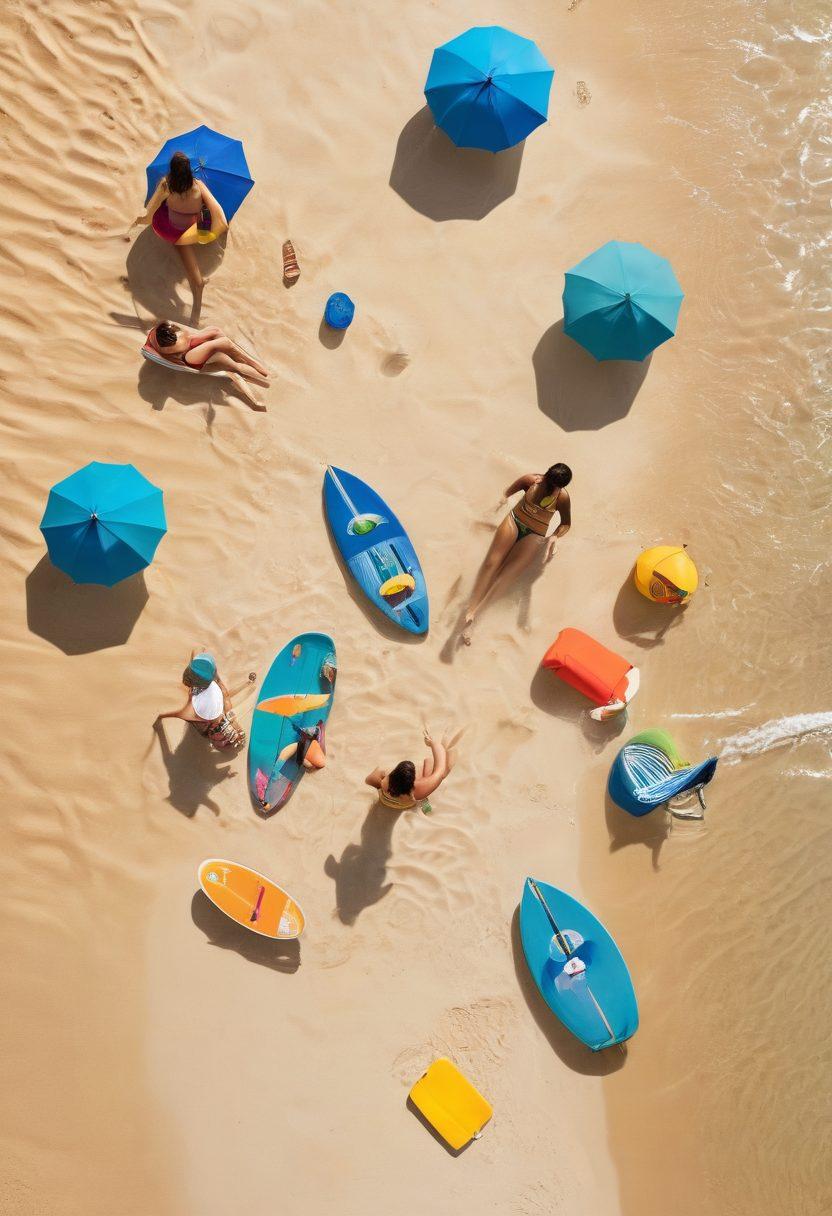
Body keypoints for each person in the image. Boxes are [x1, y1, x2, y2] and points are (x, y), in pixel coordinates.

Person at [462, 463, 572, 644]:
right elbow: (507, 492)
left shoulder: (562, 498)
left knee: (506, 576)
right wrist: (500, 501)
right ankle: (470, 608)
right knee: (491, 563)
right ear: (545, 475)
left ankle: (476, 618)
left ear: (561, 487)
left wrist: (554, 536)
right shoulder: (530, 481)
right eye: (548, 482)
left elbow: (566, 524)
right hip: (515, 521)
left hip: (535, 534)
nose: (549, 488)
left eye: (555, 487)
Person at [134, 151, 227, 317]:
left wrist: (141, 220)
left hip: (166, 230)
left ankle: (197, 284)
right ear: (188, 170)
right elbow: (220, 215)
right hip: (190, 232)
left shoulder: (166, 185)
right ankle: (197, 288)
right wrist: (212, 232)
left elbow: (151, 210)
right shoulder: (198, 185)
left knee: (172, 225)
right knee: (185, 243)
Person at [145, 320, 270, 410]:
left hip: (190, 350)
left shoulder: (170, 331)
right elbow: (176, 355)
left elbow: (190, 336)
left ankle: (240, 360)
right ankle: (248, 363)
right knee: (227, 354)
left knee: (216, 332)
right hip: (189, 359)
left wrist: (201, 337)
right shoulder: (166, 346)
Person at [154, 651, 248, 751]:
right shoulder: (217, 694)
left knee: (205, 730)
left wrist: (160, 718)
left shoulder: (197, 711)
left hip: (210, 717)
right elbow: (225, 694)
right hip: (213, 711)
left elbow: (177, 714)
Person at [365, 728, 455, 811]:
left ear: (393, 774)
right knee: (430, 763)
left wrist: (382, 779)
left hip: (386, 801)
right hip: (407, 804)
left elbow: (368, 780)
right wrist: (432, 743)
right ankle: (424, 803)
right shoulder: (418, 791)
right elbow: (440, 769)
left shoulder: (384, 782)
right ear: (412, 785)